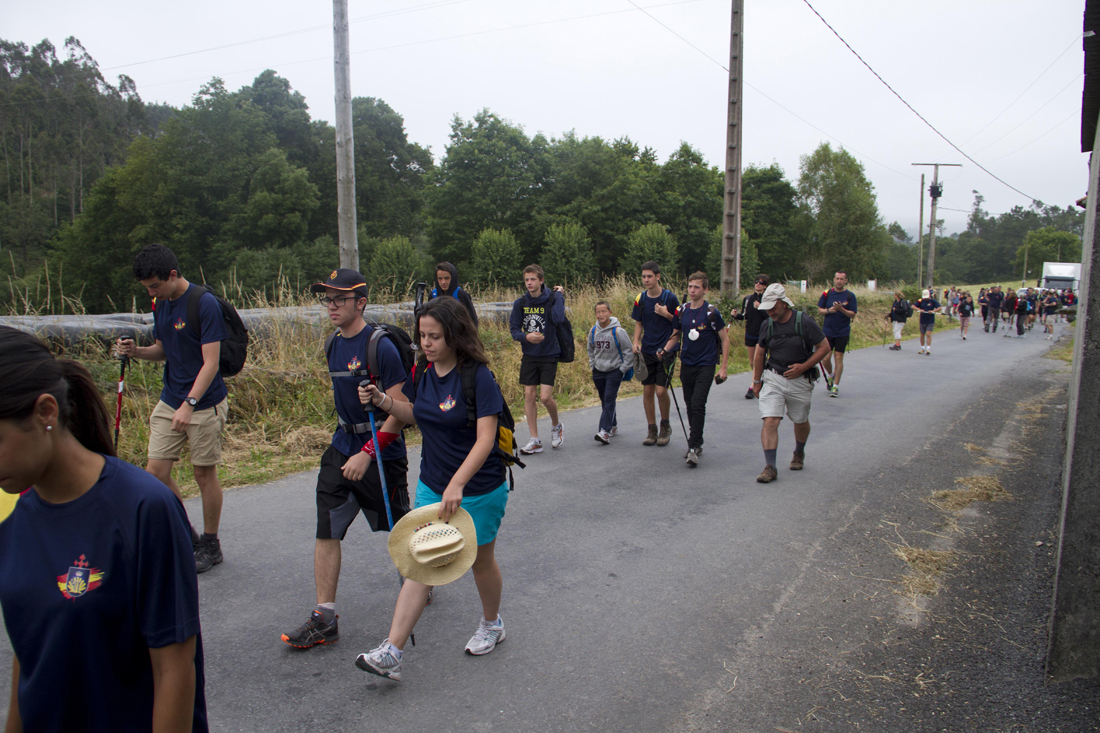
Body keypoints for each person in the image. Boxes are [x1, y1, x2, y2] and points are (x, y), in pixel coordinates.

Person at [0, 326, 208, 732]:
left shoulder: (143, 509)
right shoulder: (12, 517)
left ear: (45, 412)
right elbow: (30, 649)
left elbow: (174, 669)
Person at [355, 297, 511, 681]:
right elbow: (417, 415)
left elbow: (486, 439)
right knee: (421, 561)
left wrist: (458, 483)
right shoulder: (423, 372)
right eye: (422, 335)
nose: (426, 343)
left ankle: (492, 623)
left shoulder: (478, 377)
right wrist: (384, 401)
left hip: (478, 488)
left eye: (434, 336)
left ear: (454, 336)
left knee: (480, 561)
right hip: (432, 486)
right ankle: (392, 651)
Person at [280, 269, 412, 650]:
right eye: (328, 298)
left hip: (382, 452)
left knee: (401, 528)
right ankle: (324, 617)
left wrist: (368, 453)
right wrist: (352, 449)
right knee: (327, 526)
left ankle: (418, 580)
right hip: (341, 446)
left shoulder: (380, 346)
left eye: (340, 299)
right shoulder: (332, 344)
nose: (332, 306)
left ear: (361, 302)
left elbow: (401, 411)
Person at [116, 243, 229, 574]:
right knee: (156, 473)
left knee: (202, 473)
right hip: (171, 398)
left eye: (155, 285)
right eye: (148, 288)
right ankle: (189, 537)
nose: (152, 292)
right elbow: (163, 350)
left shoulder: (203, 304)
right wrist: (135, 351)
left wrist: (190, 404)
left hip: (204, 401)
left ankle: (211, 543)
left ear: (173, 275)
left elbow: (211, 364)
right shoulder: (159, 303)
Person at [750, 284, 831, 483]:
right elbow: (760, 353)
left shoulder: (804, 322)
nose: (770, 311)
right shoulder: (767, 324)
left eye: (773, 307)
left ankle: (799, 452)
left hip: (800, 380)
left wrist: (803, 367)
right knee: (770, 419)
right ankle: (770, 467)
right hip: (774, 376)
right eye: (767, 307)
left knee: (800, 420)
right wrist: (756, 381)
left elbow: (824, 347)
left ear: (783, 303)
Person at [658, 272, 730, 467]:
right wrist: (664, 350)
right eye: (690, 286)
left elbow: (725, 338)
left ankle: (693, 445)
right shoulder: (682, 311)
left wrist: (723, 368)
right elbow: (675, 336)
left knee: (698, 403)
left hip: (706, 365)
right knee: (690, 404)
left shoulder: (712, 313)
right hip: (687, 364)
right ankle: (697, 441)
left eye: (696, 287)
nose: (692, 290)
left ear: (705, 289)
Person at [509, 265, 566, 454]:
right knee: (529, 395)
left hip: (549, 353)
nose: (529, 283)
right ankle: (535, 440)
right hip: (530, 355)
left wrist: (559, 296)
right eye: (526, 280)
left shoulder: (551, 299)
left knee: (545, 397)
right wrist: (526, 337)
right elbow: (514, 330)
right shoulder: (520, 304)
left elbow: (558, 319)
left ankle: (556, 426)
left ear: (541, 280)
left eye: (533, 279)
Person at [630, 261, 679, 445]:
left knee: (661, 391)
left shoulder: (670, 298)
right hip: (647, 350)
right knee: (648, 390)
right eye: (643, 276)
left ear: (658, 277)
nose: (646, 280)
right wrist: (636, 341)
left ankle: (665, 425)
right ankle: (652, 429)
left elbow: (680, 323)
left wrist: (666, 314)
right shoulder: (640, 298)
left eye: (650, 276)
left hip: (666, 350)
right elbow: (638, 322)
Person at [587, 300, 634, 444]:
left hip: (615, 370)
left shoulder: (618, 331)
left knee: (609, 398)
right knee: (605, 399)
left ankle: (604, 431)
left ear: (610, 312)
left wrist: (622, 369)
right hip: (599, 370)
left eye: (604, 311)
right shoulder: (593, 331)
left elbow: (629, 352)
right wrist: (592, 365)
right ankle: (612, 425)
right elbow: (590, 349)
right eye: (598, 312)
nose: (601, 314)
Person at [816, 270, 857, 398]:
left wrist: (841, 309)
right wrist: (830, 310)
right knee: (825, 358)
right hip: (828, 331)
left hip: (842, 331)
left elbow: (853, 314)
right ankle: (830, 375)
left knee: (838, 357)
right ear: (834, 280)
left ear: (846, 281)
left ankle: (836, 386)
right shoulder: (827, 294)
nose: (839, 281)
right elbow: (820, 311)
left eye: (842, 279)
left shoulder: (850, 296)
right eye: (837, 278)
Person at [731, 274, 770, 398]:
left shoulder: (768, 299)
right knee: (752, 362)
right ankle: (759, 379)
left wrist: (761, 308)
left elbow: (771, 317)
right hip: (750, 332)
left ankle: (752, 387)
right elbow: (745, 316)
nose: (758, 284)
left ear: (765, 286)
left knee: (758, 359)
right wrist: (736, 315)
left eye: (761, 283)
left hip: (762, 334)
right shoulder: (748, 299)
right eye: (756, 282)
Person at [429, 261, 478, 327]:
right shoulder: (433, 295)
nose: (443, 282)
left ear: (453, 278)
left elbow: (472, 320)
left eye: (447, 278)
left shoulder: (461, 295)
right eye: (440, 278)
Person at [914, 289, 940, 355]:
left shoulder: (933, 301)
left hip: (930, 320)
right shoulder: (920, 300)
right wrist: (919, 309)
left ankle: (928, 349)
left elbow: (939, 308)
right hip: (923, 320)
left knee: (928, 334)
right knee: (922, 334)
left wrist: (933, 311)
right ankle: (922, 348)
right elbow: (913, 306)